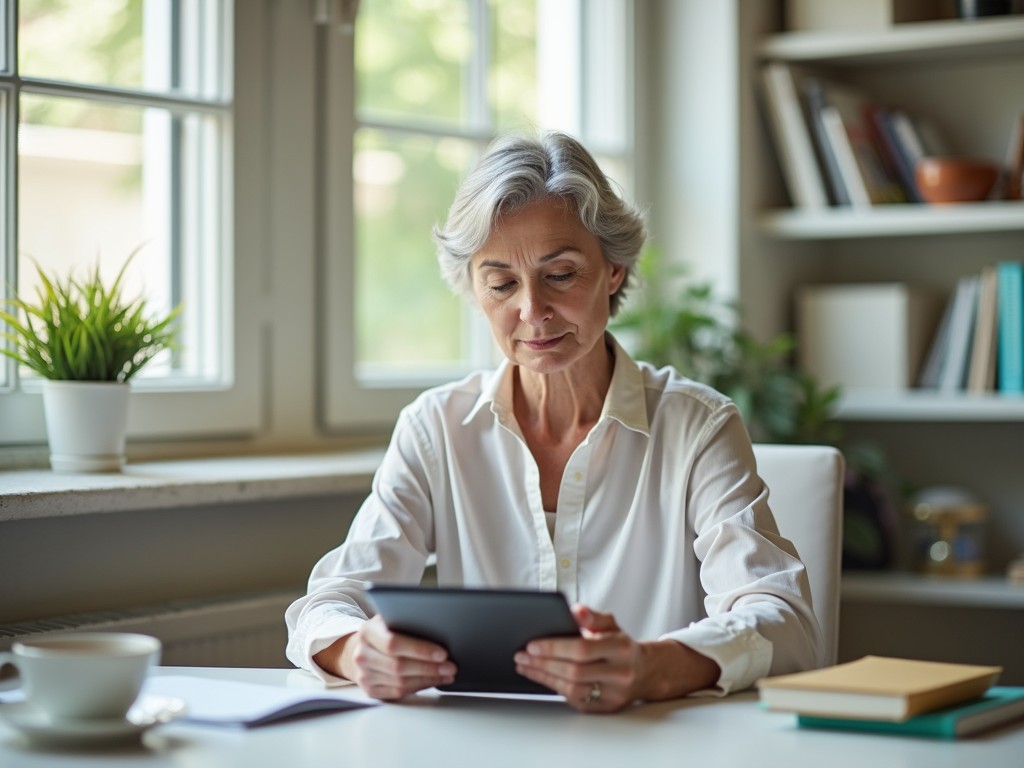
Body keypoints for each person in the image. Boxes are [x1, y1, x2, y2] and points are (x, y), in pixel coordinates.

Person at [286, 131, 823, 712]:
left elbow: (783, 621)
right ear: (474, 288)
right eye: (501, 284)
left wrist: (650, 667)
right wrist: (354, 649)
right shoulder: (435, 427)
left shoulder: (698, 427)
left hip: (649, 747)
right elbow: (332, 599)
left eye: (561, 275)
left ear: (613, 270)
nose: (532, 311)